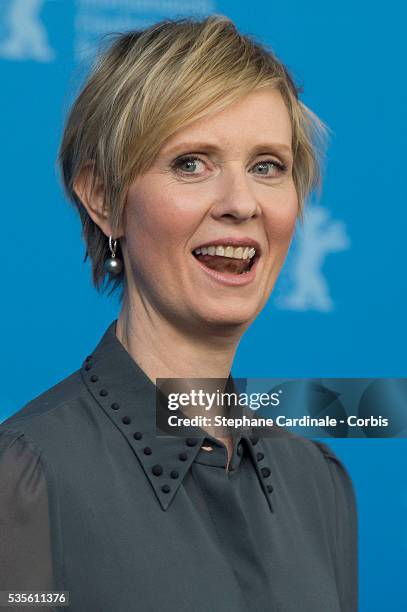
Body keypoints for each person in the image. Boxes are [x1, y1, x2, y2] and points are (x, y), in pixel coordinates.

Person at [0, 15, 357, 612]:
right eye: (191, 162)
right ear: (104, 199)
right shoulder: (24, 477)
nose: (241, 204)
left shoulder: (317, 482)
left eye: (267, 166)